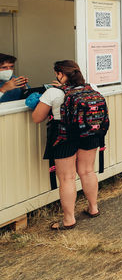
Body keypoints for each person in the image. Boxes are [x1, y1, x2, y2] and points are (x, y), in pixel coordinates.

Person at [31, 61, 101, 230]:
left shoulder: (53, 92)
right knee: (88, 171)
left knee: (67, 178)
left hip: (64, 135)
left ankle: (69, 220)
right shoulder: (91, 87)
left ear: (61, 74)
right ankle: (93, 208)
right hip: (89, 133)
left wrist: (52, 93)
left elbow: (37, 117)